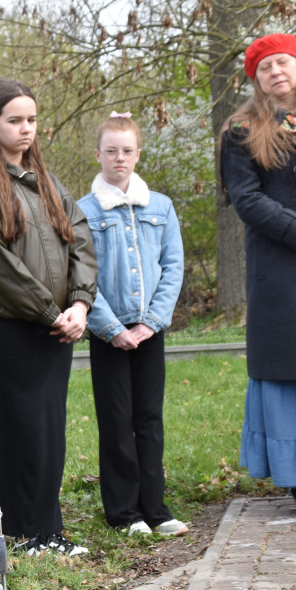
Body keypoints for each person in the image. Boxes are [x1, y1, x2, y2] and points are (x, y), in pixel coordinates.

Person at [0, 79, 97, 556]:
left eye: (32, 120)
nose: (26, 129)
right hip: (10, 329)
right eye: (15, 121)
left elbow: (80, 242)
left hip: (57, 326)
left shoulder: (48, 183)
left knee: (49, 428)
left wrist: (79, 305)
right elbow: (0, 270)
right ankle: (28, 533)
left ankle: (43, 529)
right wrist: (51, 313)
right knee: (25, 429)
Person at [77, 112, 187, 536]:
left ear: (138, 153)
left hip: (149, 330)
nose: (119, 158)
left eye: (126, 150)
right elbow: (82, 275)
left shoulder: (160, 206)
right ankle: (124, 513)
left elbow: (172, 266)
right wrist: (111, 328)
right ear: (99, 154)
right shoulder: (83, 211)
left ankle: (156, 509)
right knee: (116, 419)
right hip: (110, 334)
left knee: (149, 418)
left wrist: (152, 322)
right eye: (111, 151)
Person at [221, 33, 296, 513]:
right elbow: (247, 200)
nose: (275, 71)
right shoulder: (241, 131)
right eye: (265, 66)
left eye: (283, 62)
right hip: (278, 267)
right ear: (256, 78)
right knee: (288, 368)